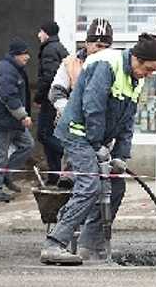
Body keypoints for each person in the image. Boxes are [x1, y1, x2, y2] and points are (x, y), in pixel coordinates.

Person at [40, 33, 156, 265]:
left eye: (152, 72)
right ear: (136, 58)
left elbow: (128, 122)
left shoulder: (135, 81)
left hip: (94, 140)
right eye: (147, 69)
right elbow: (92, 107)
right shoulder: (107, 64)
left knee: (115, 186)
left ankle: (89, 245)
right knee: (90, 185)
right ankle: (54, 244)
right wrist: (98, 145)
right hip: (77, 133)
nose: (148, 75)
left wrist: (120, 156)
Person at [48, 17, 114, 188]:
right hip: (73, 131)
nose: (101, 51)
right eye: (97, 46)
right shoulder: (70, 63)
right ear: (87, 43)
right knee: (70, 180)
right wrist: (69, 112)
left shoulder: (115, 64)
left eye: (106, 47)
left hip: (102, 130)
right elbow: (56, 91)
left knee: (100, 181)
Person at [0, 38, 34, 202]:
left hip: (11, 120)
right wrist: (22, 115)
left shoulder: (14, 68)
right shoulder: (6, 70)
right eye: (24, 53)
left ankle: (5, 174)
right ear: (16, 55)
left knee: (27, 145)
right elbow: (8, 95)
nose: (28, 57)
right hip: (3, 120)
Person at [35, 21, 69, 185]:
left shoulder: (49, 49)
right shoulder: (59, 47)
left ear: (46, 33)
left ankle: (71, 154)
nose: (38, 35)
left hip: (50, 100)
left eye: (40, 32)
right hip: (57, 99)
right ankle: (54, 176)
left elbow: (48, 78)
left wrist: (39, 97)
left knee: (43, 135)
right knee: (50, 136)